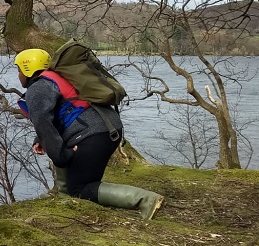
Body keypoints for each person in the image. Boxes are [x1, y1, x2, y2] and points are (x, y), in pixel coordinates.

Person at [15, 48, 165, 220]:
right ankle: (65, 199)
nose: (18, 74)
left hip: (93, 134)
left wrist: (60, 155)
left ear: (27, 69)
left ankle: (145, 200)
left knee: (80, 188)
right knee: (77, 178)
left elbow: (43, 122)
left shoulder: (39, 88)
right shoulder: (57, 77)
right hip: (107, 127)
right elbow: (58, 116)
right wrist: (41, 140)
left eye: (19, 69)